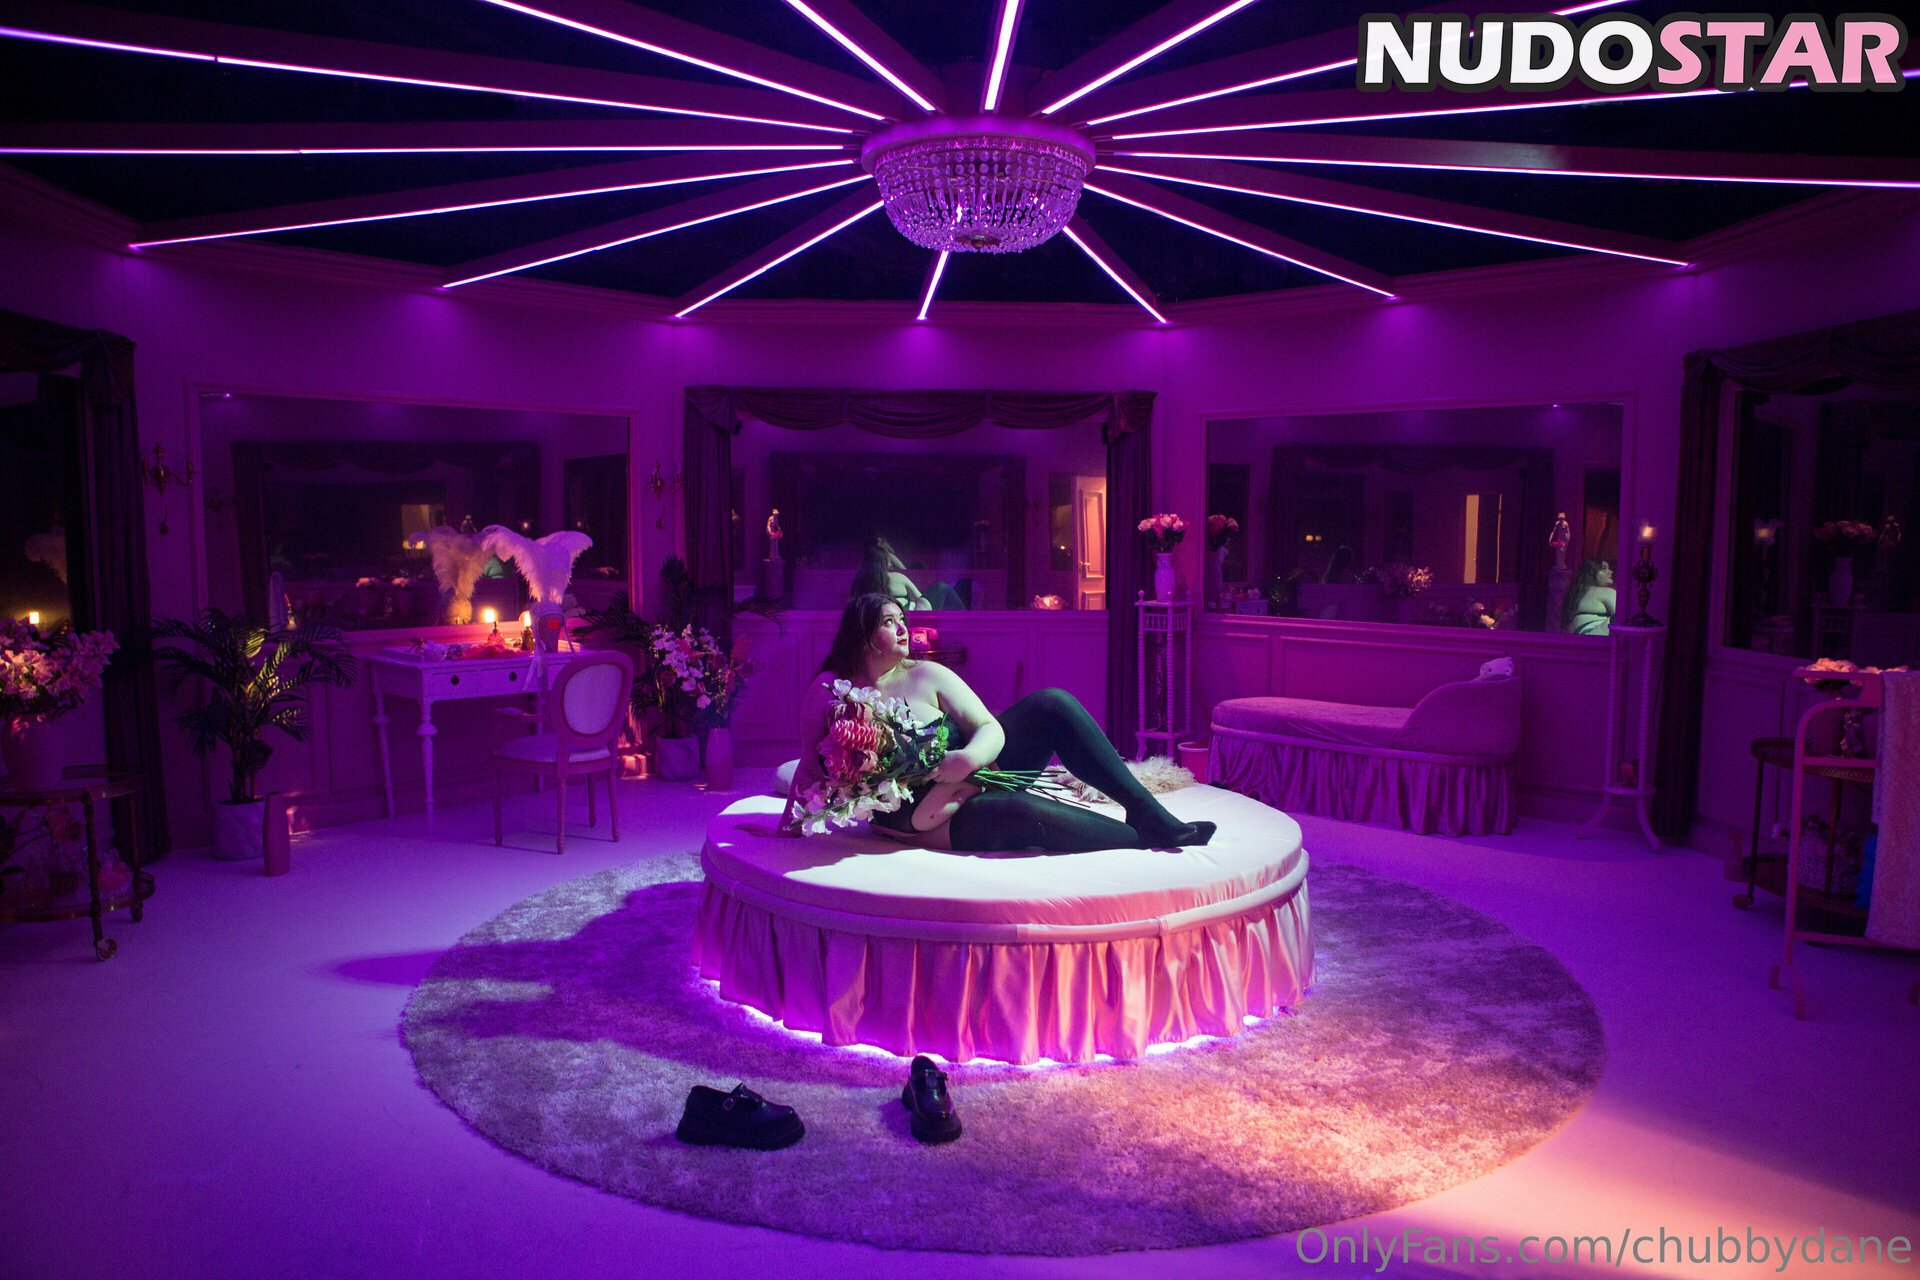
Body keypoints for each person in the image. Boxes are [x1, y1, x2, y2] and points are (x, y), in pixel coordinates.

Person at [788, 594, 1215, 852]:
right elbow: (810, 765)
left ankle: (1147, 812)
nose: (903, 628)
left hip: (976, 773)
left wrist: (966, 759)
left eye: (903, 619)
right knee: (1021, 811)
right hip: (925, 816)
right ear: (863, 635)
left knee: (1052, 703)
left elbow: (989, 727)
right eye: (889, 621)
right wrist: (787, 828)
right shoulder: (829, 690)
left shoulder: (927, 673)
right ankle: (1139, 839)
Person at [850, 536, 931, 610]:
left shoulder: (859, 583)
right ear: (885, 562)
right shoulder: (898, 577)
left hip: (873, 615)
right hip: (904, 614)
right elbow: (919, 597)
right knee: (938, 588)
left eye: (881, 541)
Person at [1562, 558, 1615, 635]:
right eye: (1604, 568)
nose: (1610, 572)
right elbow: (1622, 617)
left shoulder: (1575, 595)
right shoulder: (1607, 592)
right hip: (1594, 636)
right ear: (1592, 572)